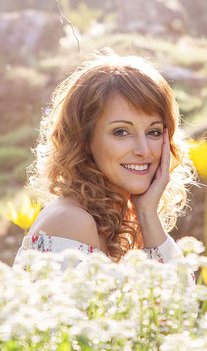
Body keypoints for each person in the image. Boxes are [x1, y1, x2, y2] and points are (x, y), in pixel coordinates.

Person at [15, 52, 194, 265]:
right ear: (83, 139)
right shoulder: (72, 222)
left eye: (153, 132)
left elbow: (179, 296)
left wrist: (147, 213)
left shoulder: (121, 222)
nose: (143, 150)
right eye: (121, 132)